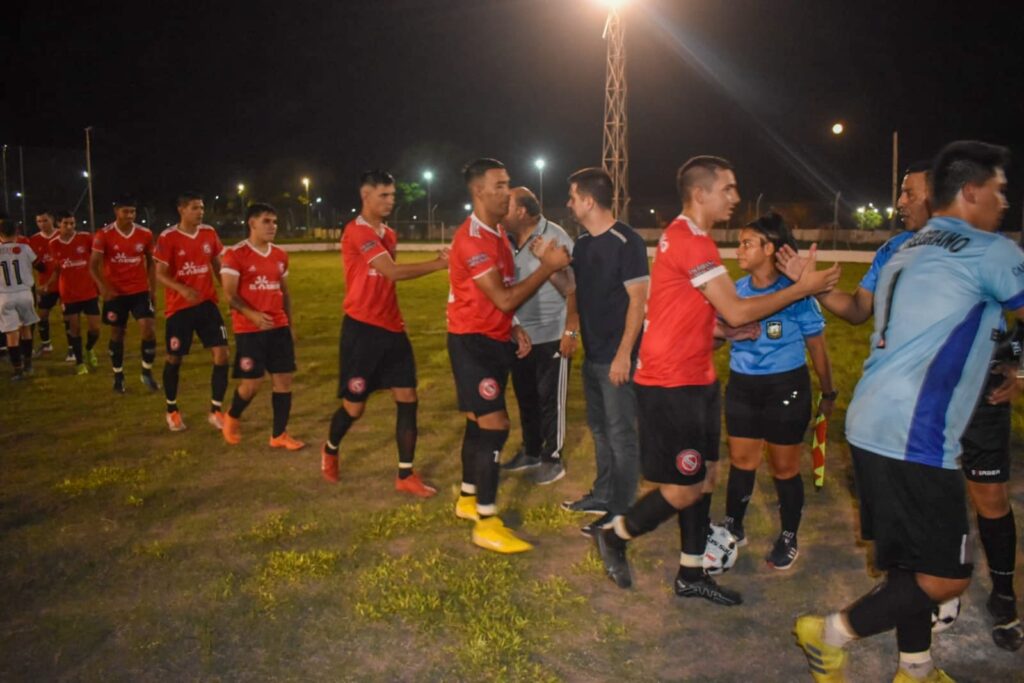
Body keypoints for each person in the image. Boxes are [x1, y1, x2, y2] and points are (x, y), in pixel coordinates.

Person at [793, 140, 1024, 682]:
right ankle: (829, 634)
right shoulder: (990, 250)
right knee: (947, 577)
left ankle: (914, 668)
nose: (1004, 202)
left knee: (910, 563)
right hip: (917, 431)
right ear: (971, 192)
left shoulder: (905, 249)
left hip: (872, 420)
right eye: (998, 191)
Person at [592, 156, 839, 605]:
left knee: (704, 477)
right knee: (683, 486)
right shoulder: (691, 241)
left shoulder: (693, 238)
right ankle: (616, 533)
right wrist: (802, 287)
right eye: (728, 188)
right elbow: (738, 309)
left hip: (697, 375)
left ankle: (691, 573)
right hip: (672, 382)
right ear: (700, 193)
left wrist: (725, 331)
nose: (736, 197)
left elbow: (691, 311)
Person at [448, 158, 570, 553]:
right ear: (478, 191)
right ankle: (486, 522)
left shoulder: (498, 233)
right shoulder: (472, 239)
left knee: (477, 422)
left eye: (508, 184)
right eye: (499, 186)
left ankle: (468, 498)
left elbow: (500, 297)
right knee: (496, 426)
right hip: (473, 343)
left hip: (493, 338)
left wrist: (514, 325)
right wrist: (547, 267)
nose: (507, 193)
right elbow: (502, 297)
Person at [321, 170, 448, 497]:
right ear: (366, 196)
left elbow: (384, 280)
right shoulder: (356, 230)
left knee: (408, 398)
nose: (391, 201)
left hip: (393, 328)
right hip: (362, 330)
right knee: (355, 407)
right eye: (384, 195)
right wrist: (437, 264)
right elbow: (390, 272)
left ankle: (405, 474)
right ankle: (331, 448)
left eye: (392, 195)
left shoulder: (389, 234)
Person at [721, 212, 834, 571]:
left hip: (785, 388)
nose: (739, 250)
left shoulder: (796, 293)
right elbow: (716, 335)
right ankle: (733, 526)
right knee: (741, 461)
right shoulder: (736, 292)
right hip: (742, 386)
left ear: (769, 248)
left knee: (784, 468)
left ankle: (788, 535)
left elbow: (817, 346)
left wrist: (828, 393)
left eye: (747, 243)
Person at [559, 167, 647, 537]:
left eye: (572, 197)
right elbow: (574, 289)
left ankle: (621, 512)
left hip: (617, 357)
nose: (569, 204)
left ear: (588, 201)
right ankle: (604, 495)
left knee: (621, 435)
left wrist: (624, 354)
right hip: (593, 355)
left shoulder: (627, 242)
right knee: (599, 430)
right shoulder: (583, 245)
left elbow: (638, 302)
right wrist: (551, 266)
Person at [501, 186, 577, 486]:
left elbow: (573, 289)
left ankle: (552, 459)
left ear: (521, 211)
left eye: (506, 204)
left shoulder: (554, 236)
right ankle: (531, 451)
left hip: (552, 334)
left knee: (550, 402)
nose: (500, 208)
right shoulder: (504, 239)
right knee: (526, 397)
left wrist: (570, 331)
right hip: (519, 336)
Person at [220, 203, 304, 450]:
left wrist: (289, 324)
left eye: (275, 222)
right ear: (252, 223)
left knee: (284, 380)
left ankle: (279, 435)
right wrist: (253, 315)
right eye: (266, 221)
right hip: (249, 330)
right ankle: (232, 415)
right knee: (252, 384)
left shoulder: (280, 255)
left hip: (278, 327)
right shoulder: (235, 254)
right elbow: (230, 295)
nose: (272, 226)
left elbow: (284, 293)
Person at [153, 192, 229, 432]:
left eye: (202, 207)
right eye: (195, 208)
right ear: (182, 209)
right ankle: (172, 410)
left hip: (207, 304)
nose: (200, 212)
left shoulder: (209, 233)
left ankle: (216, 411)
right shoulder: (168, 237)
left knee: (222, 354)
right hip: (180, 308)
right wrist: (182, 289)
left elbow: (217, 264)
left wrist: (228, 291)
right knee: (174, 358)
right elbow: (160, 273)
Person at [89, 196, 160, 393]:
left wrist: (152, 289)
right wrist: (103, 288)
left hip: (139, 291)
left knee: (148, 329)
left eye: (132, 212)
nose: (129, 215)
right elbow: (93, 265)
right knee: (117, 333)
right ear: (116, 212)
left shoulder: (145, 234)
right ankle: (118, 375)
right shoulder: (104, 234)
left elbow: (151, 262)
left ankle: (146, 372)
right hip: (116, 294)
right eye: (125, 211)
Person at [46, 210, 100, 375]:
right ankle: (80, 362)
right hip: (68, 294)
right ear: (58, 224)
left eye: (72, 223)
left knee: (95, 328)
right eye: (65, 223)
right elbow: (57, 269)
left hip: (89, 291)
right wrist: (48, 284)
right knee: (74, 329)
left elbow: (97, 259)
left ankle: (89, 349)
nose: (69, 226)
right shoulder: (54, 244)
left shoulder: (86, 238)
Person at [0, 212, 40, 379]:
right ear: (17, 232)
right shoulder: (24, 248)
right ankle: (28, 363)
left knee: (11, 334)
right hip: (24, 293)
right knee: (26, 330)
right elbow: (40, 266)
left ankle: (17, 370)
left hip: (4, 296)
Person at [28, 210, 68, 358]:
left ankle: (72, 348)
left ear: (52, 220)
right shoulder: (34, 240)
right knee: (42, 314)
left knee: (68, 316)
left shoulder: (62, 235)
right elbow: (32, 262)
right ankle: (46, 344)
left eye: (45, 220)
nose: (42, 224)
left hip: (65, 283)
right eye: (39, 221)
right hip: (46, 285)